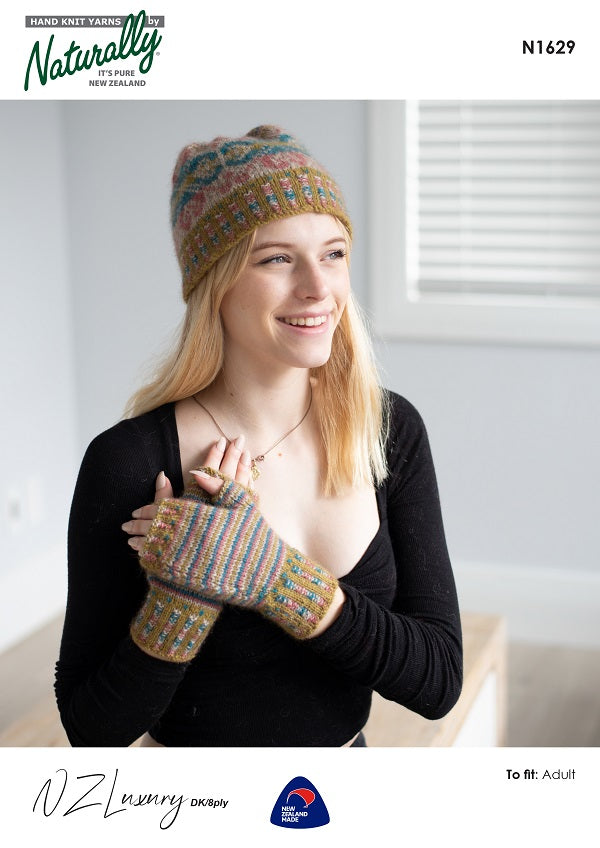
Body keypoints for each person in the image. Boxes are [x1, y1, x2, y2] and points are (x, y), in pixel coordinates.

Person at [54, 125, 462, 747]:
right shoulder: (130, 461)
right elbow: (91, 728)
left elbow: (438, 680)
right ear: (215, 283)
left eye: (333, 253)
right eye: (277, 258)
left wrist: (276, 579)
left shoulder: (387, 430)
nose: (318, 288)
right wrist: (183, 600)